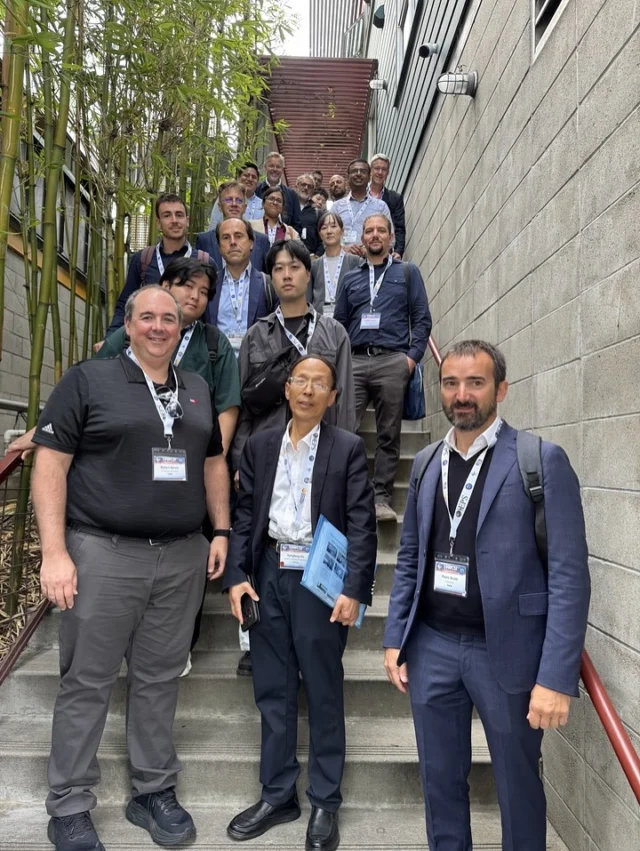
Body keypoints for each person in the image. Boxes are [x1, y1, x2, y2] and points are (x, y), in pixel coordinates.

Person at [32, 285, 230, 851]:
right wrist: (55, 552)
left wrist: (220, 530)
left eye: (169, 318)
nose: (159, 327)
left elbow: (213, 464)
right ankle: (69, 804)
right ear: (128, 323)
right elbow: (51, 465)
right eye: (147, 317)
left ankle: (153, 789)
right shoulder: (87, 381)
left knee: (159, 678)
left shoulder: (196, 389)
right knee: (87, 680)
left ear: (181, 328)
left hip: (182, 556)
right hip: (104, 552)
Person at [384, 340, 591, 851]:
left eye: (475, 383)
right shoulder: (426, 462)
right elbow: (410, 558)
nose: (461, 395)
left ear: (501, 389)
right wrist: (395, 637)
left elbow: (569, 576)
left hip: (508, 654)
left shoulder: (539, 461)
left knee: (519, 791)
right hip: (432, 647)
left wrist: (555, 677)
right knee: (439, 784)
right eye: (451, 383)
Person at [224, 354, 377, 851]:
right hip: (269, 571)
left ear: (333, 398)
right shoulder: (260, 444)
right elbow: (244, 516)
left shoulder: (347, 447)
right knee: (273, 688)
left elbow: (362, 524)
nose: (308, 390)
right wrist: (236, 577)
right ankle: (278, 794)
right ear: (287, 389)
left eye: (320, 384)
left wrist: (354, 589)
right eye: (300, 381)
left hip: (319, 576)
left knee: (324, 688)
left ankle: (325, 800)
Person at [7, 258, 241, 461]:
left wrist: (213, 460)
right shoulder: (132, 332)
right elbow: (88, 388)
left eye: (203, 292)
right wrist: (43, 431)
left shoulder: (214, 343)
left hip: (187, 454)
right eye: (188, 286)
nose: (195, 296)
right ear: (165, 286)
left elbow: (227, 407)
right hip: (125, 449)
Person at [334, 213, 431, 522]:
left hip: (392, 360)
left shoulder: (408, 273)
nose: (374, 235)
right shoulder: (350, 278)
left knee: (389, 433)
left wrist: (410, 359)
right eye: (369, 231)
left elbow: (422, 319)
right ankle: (351, 491)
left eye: (380, 230)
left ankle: (381, 499)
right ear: (362, 238)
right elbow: (339, 322)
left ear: (391, 237)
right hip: (355, 361)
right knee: (343, 429)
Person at [232, 239, 356, 476]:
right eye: (279, 269)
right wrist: (240, 461)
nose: (287, 275)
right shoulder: (255, 335)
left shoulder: (334, 333)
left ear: (308, 275)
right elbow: (244, 404)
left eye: (294, 267)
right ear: (271, 278)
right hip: (265, 452)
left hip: (320, 452)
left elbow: (345, 403)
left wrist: (342, 460)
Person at [106, 193, 215, 335]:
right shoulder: (143, 259)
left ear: (187, 221)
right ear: (158, 223)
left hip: (190, 339)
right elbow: (125, 305)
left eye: (179, 215)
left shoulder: (204, 261)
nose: (174, 220)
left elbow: (211, 312)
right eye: (167, 215)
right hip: (150, 336)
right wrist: (110, 339)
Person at [205, 218, 276, 354]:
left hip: (255, 362)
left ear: (251, 243)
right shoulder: (209, 285)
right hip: (216, 361)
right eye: (226, 237)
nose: (232, 242)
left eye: (238, 236)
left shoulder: (267, 284)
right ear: (219, 247)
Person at [196, 181, 271, 273]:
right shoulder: (204, 240)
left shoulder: (262, 241)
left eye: (239, 200)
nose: (234, 204)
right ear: (220, 206)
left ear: (245, 207)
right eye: (228, 200)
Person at [331, 159, 391, 255]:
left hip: (372, 259)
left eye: (363, 171)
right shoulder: (336, 207)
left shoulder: (381, 206)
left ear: (369, 176)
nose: (358, 174)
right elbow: (328, 235)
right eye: (354, 171)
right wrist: (343, 248)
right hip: (342, 259)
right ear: (347, 177)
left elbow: (390, 239)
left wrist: (370, 248)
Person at [308, 211, 360, 315]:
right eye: (324, 228)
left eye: (333, 226)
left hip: (347, 318)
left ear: (342, 231)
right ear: (320, 234)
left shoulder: (355, 261)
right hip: (319, 319)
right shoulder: (314, 265)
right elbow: (309, 299)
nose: (329, 231)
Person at [369, 153, 406, 258]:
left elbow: (399, 227)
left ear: (388, 173)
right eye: (377, 168)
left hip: (385, 251)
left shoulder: (395, 198)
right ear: (370, 171)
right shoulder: (361, 195)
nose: (380, 172)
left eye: (384, 169)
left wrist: (398, 251)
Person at [255, 151, 302, 231]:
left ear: (282, 169)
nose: (275, 169)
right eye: (271, 166)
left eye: (278, 167)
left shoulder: (292, 195)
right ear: (265, 167)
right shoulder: (256, 191)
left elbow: (297, 225)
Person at [209, 162, 263, 229]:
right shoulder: (226, 199)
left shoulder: (262, 205)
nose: (250, 179)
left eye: (254, 177)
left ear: (257, 182)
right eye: (246, 175)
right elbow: (214, 225)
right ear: (238, 177)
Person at [295, 173, 321, 255]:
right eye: (303, 184)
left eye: (310, 186)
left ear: (312, 191)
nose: (306, 188)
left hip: (310, 257)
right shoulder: (287, 208)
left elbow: (322, 238)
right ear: (296, 187)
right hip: (288, 255)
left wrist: (317, 255)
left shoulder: (317, 212)